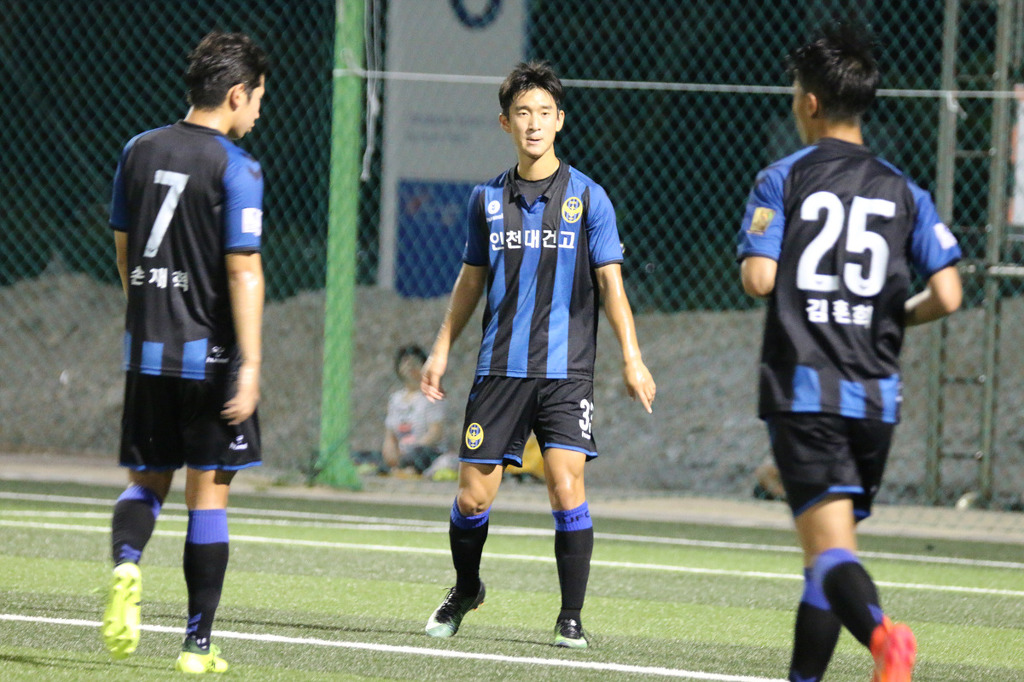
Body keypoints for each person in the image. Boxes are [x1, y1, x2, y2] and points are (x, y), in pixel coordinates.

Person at [736, 22, 962, 682]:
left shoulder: (782, 177)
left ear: (809, 103)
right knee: (824, 556)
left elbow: (759, 279)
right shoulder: (906, 191)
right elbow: (948, 294)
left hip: (805, 390)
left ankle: (885, 638)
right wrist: (892, 315)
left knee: (832, 554)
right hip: (876, 398)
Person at [420, 60, 656, 649]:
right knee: (472, 497)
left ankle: (570, 617)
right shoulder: (485, 200)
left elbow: (612, 285)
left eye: (544, 113)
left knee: (565, 487)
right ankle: (467, 588)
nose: (534, 123)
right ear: (505, 123)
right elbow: (470, 282)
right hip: (499, 370)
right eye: (523, 112)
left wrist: (632, 357)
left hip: (565, 372)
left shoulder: (589, 198)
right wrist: (441, 348)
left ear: (560, 121)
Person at [102, 31, 269, 674]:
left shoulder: (137, 150)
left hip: (147, 353)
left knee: (146, 484)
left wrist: (146, 311)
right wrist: (251, 364)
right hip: (212, 362)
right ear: (237, 94)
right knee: (208, 497)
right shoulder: (237, 167)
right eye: (259, 99)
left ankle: (126, 565)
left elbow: (125, 248)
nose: (259, 112)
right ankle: (197, 646)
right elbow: (244, 270)